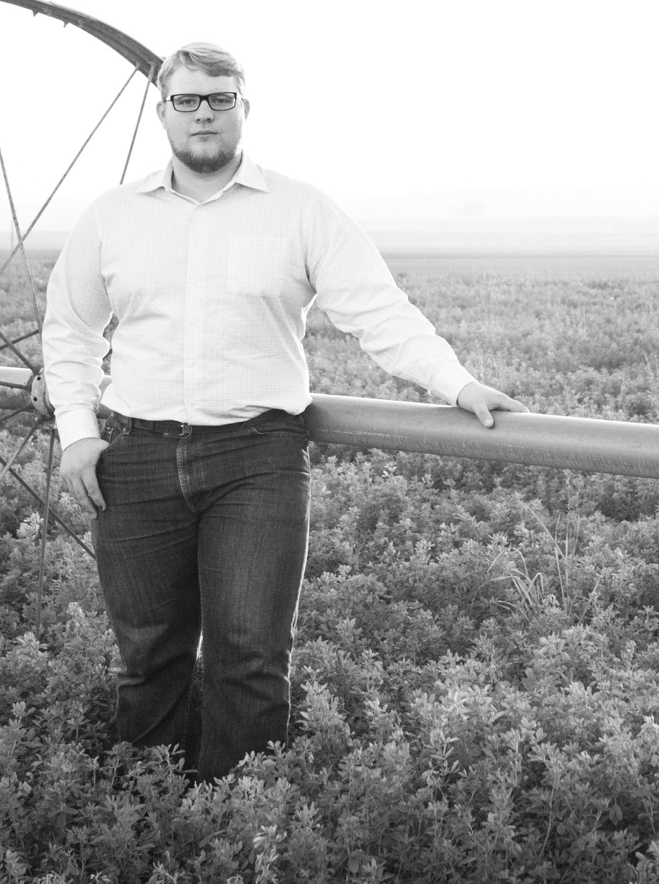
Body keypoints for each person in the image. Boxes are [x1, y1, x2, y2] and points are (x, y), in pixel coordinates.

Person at [40, 44, 525, 782]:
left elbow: (377, 311)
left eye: (220, 98)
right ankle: (146, 819)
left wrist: (457, 384)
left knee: (250, 655)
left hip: (257, 455)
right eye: (188, 99)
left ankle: (239, 825)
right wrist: (78, 431)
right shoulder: (112, 217)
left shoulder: (300, 209)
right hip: (133, 455)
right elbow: (70, 329)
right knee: (148, 653)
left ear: (244, 107)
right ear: (162, 109)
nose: (204, 112)